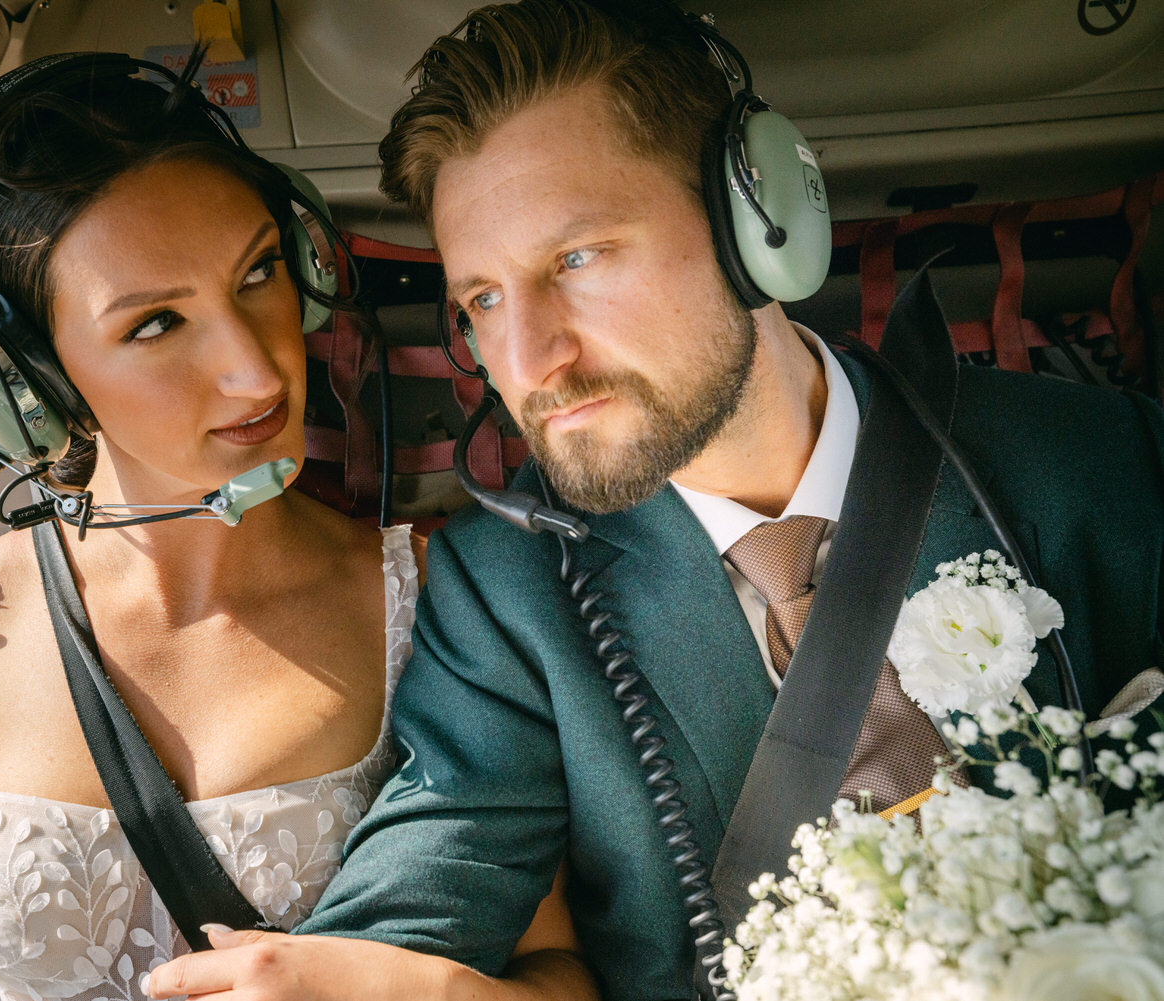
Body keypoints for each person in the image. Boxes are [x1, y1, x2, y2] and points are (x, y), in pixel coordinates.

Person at [147, 2, 1164, 999]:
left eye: (575, 259)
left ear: (753, 219)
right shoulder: (507, 592)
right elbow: (430, 871)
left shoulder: (1109, 461)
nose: (527, 361)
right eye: (482, 301)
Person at [0, 55, 598, 1001]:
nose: (256, 368)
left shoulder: (437, 600)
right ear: (31, 380)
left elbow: (555, 972)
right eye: (157, 324)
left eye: (258, 272)